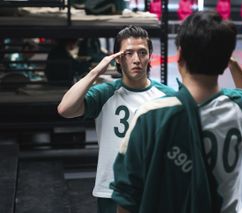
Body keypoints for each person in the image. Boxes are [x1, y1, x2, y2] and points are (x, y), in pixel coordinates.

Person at [111, 10, 242, 213]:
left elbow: (127, 197)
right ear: (225, 60)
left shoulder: (151, 116)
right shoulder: (239, 107)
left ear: (180, 55)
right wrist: (231, 63)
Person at [57, 26, 175, 213]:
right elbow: (65, 109)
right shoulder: (105, 93)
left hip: (152, 189)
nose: (136, 59)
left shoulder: (167, 96)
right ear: (118, 58)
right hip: (111, 189)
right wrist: (95, 72)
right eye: (129, 53)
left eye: (142, 53)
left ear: (149, 56)